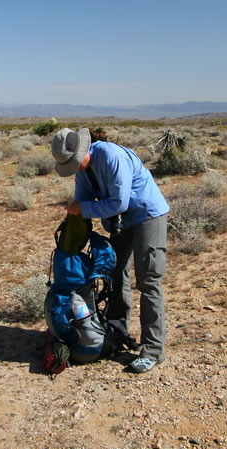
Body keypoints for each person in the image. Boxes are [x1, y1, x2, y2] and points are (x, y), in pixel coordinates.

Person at [51, 127, 170, 373]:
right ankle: (117, 334)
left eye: (74, 162)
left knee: (148, 281)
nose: (73, 169)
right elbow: (82, 202)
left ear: (83, 150)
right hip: (121, 222)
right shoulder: (81, 170)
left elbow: (119, 202)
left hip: (147, 215)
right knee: (114, 275)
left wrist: (83, 209)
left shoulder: (110, 155)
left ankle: (153, 350)